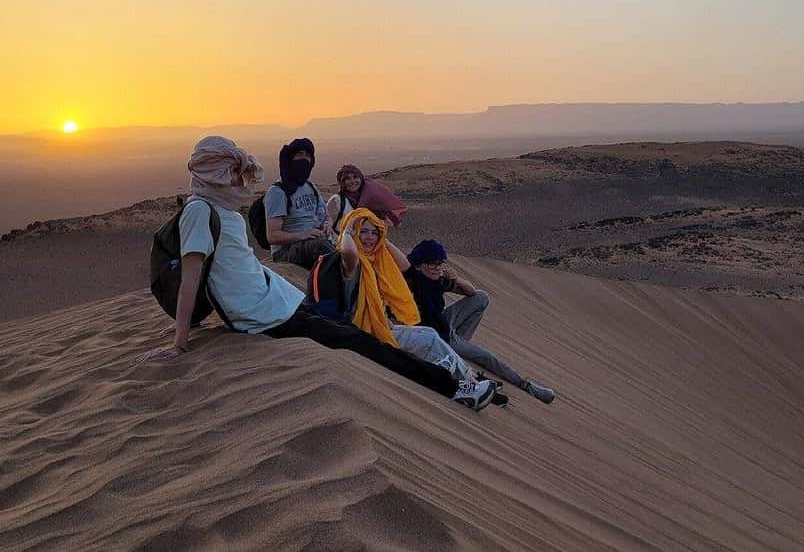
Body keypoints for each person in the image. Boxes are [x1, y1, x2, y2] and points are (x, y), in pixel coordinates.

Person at [155, 136, 497, 411]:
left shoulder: (225, 211)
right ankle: (455, 388)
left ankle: (454, 377)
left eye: (236, 170)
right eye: (230, 171)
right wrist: (180, 342)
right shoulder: (199, 211)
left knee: (361, 334)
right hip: (264, 316)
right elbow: (192, 277)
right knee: (361, 343)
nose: (236, 178)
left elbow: (240, 264)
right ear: (213, 173)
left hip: (282, 299)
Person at [333, 207, 488, 389]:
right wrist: (347, 230)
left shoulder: (376, 263)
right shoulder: (352, 263)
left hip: (382, 325)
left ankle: (469, 376)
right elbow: (349, 253)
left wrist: (384, 239)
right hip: (366, 331)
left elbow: (405, 267)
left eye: (374, 233)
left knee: (430, 334)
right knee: (429, 340)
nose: (369, 238)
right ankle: (465, 383)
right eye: (363, 231)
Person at [405, 239, 555, 404]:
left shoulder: (438, 280)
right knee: (486, 356)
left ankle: (461, 343)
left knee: (481, 297)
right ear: (419, 264)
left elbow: (471, 292)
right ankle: (525, 385)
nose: (437, 267)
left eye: (440, 263)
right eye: (432, 263)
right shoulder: (412, 280)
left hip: (443, 323)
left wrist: (456, 279)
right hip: (435, 335)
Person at [264, 138, 335, 269]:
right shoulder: (278, 191)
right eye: (300, 154)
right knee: (322, 247)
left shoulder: (311, 186)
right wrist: (302, 235)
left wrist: (327, 225)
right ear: (290, 158)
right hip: (286, 251)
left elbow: (327, 217)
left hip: (317, 241)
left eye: (308, 155)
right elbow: (272, 236)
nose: (305, 158)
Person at [326, 164, 407, 233]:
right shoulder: (337, 201)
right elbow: (328, 225)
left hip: (367, 243)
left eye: (355, 177)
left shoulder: (370, 198)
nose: (352, 181)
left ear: (361, 178)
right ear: (341, 182)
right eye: (347, 178)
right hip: (342, 244)